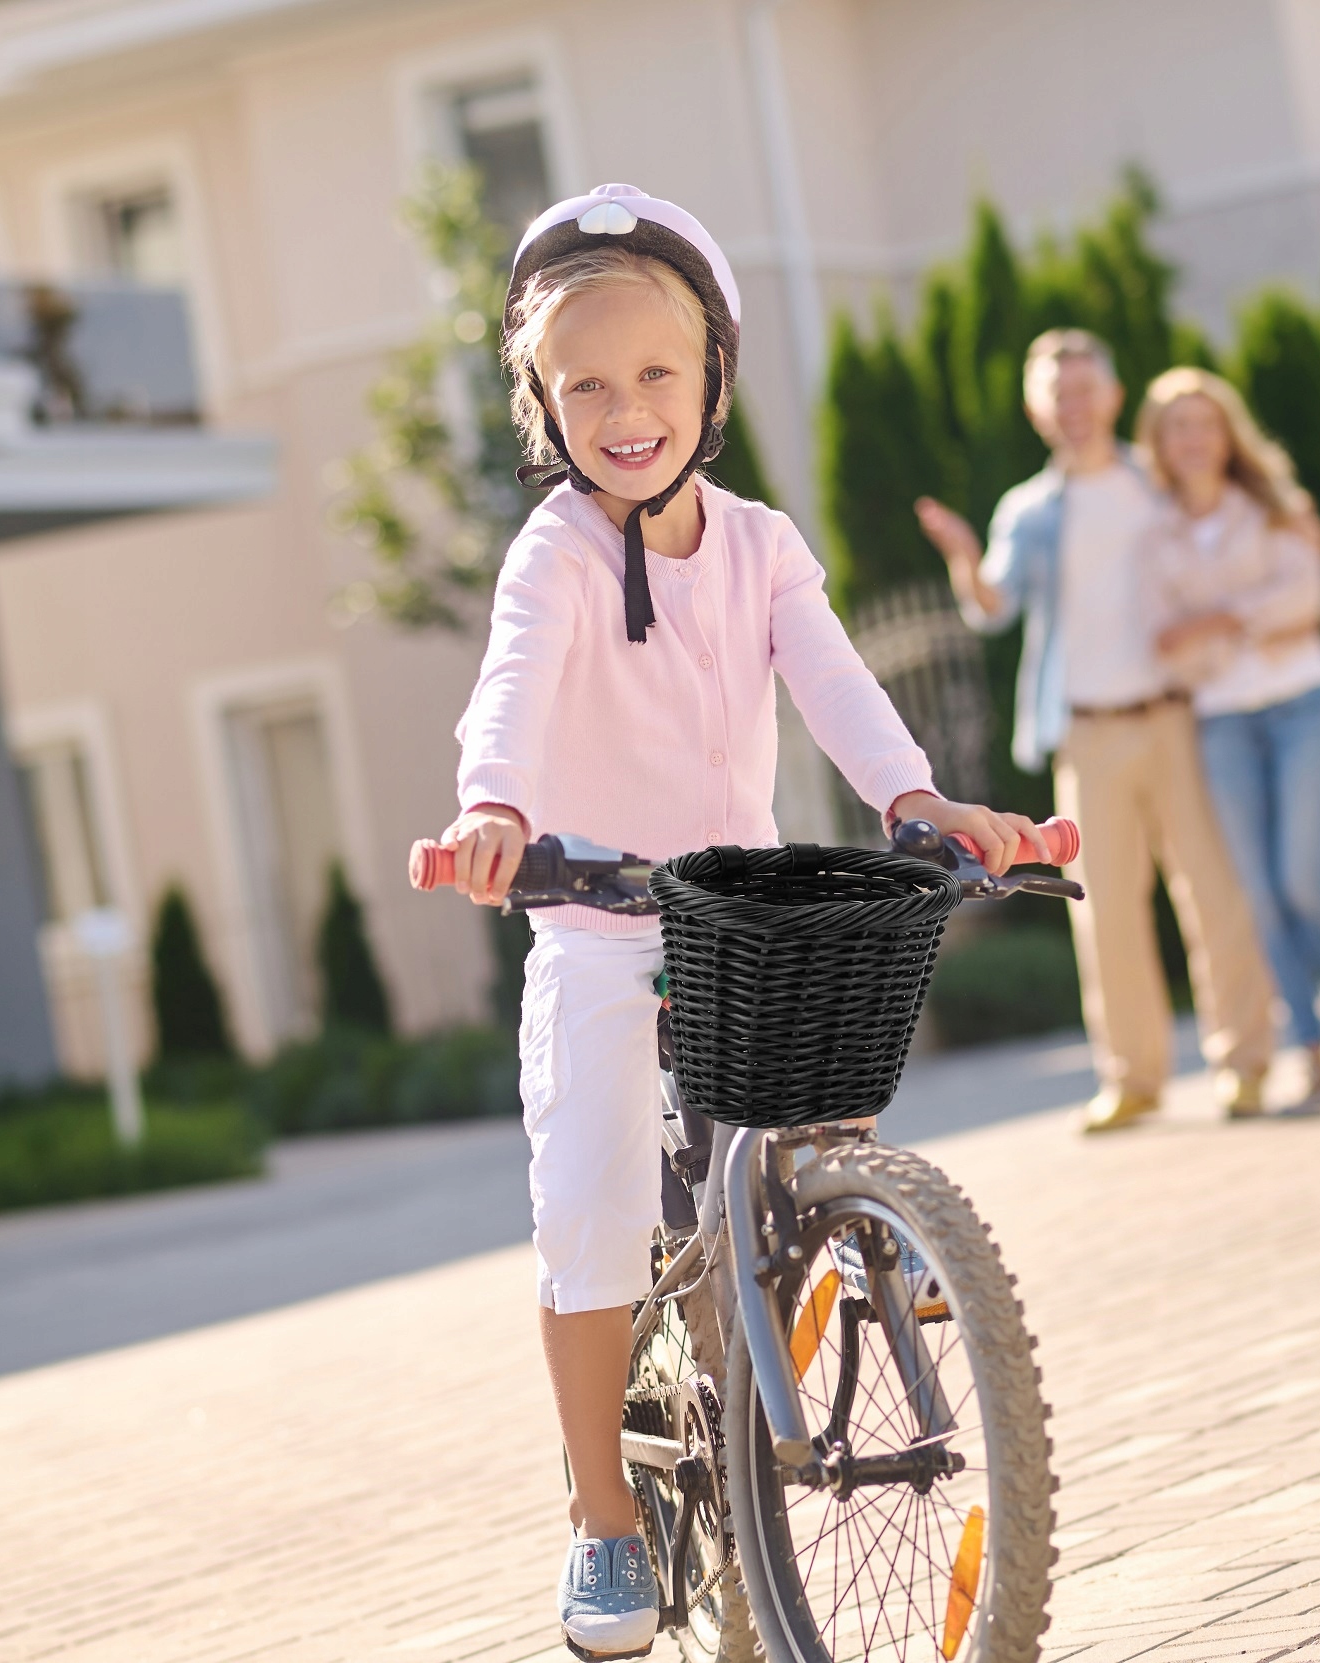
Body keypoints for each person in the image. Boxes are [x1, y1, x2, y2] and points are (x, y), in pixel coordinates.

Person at [439, 184, 1044, 1660]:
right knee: (587, 1212)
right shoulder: (561, 552)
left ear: (712, 380)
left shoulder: (763, 545)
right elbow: (514, 684)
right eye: (584, 382)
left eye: (656, 372)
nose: (624, 407)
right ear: (543, 401)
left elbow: (836, 686)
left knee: (795, 1168)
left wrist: (916, 799)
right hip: (598, 917)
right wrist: (493, 808)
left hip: (743, 915)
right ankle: (601, 1519)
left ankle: (798, 1322)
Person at [916, 330, 1275, 1132]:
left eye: (1086, 390)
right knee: (1102, 908)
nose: (1074, 406)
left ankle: (1245, 1063)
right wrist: (965, 562)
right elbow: (993, 606)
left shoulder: (1159, 484)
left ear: (1114, 397)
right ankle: (1132, 1077)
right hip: (1089, 732)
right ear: (1037, 409)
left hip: (1178, 715)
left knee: (1213, 895)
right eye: (1058, 393)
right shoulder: (1031, 508)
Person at [1134, 366, 1320, 1103]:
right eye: (1177, 426)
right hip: (1222, 725)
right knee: (1261, 896)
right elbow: (1165, 642)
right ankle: (1311, 1053)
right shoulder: (1157, 537)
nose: (1192, 439)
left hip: (1304, 706)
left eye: (1204, 423)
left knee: (1303, 879)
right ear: (1159, 441)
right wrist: (1248, 617)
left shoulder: (1278, 504)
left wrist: (1213, 620)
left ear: (1227, 433)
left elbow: (1304, 604)